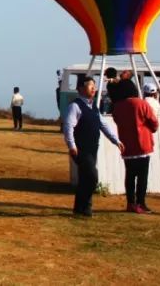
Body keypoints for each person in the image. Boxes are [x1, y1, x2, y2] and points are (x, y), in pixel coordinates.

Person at [62, 76, 124, 218]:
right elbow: (68, 127)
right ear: (80, 89)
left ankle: (82, 209)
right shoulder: (75, 106)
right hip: (80, 149)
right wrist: (71, 145)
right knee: (92, 177)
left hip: (92, 148)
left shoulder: (94, 107)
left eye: (94, 86)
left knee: (85, 178)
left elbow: (103, 125)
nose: (94, 89)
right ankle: (84, 207)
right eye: (90, 86)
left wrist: (116, 141)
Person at [111, 79, 160, 214]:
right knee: (142, 176)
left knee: (130, 176)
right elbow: (154, 122)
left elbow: (116, 119)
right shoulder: (141, 103)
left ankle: (130, 203)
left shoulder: (118, 106)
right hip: (143, 144)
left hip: (127, 145)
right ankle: (141, 203)